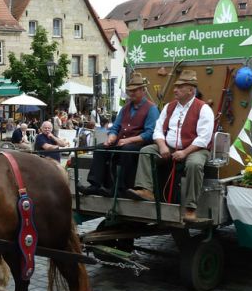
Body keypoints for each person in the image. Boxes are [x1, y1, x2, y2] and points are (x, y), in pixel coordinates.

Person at [126, 69, 213, 222]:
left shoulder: (203, 108)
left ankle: (190, 208)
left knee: (194, 164)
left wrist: (185, 152)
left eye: (180, 87)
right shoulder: (169, 107)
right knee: (146, 151)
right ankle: (146, 190)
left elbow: (203, 139)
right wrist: (162, 146)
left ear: (191, 90)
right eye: (175, 86)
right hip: (170, 147)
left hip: (195, 150)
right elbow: (158, 130)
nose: (175, 90)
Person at [78, 73, 158, 197]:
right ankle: (95, 185)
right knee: (100, 148)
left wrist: (129, 140)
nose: (131, 93)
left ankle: (120, 189)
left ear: (143, 90)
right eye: (130, 91)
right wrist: (111, 137)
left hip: (139, 144)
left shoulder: (151, 108)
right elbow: (115, 127)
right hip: (121, 142)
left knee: (126, 150)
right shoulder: (125, 108)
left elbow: (150, 133)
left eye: (135, 90)